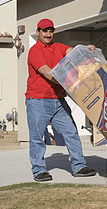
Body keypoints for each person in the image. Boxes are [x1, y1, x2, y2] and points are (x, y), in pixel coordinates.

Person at [25, 18, 97, 182]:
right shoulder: (35, 51)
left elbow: (72, 51)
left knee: (71, 133)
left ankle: (79, 166)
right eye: (44, 31)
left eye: (50, 31)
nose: (48, 34)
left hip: (58, 100)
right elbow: (48, 73)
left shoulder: (57, 47)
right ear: (38, 32)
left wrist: (85, 49)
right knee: (37, 138)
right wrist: (71, 80)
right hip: (38, 100)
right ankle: (39, 170)